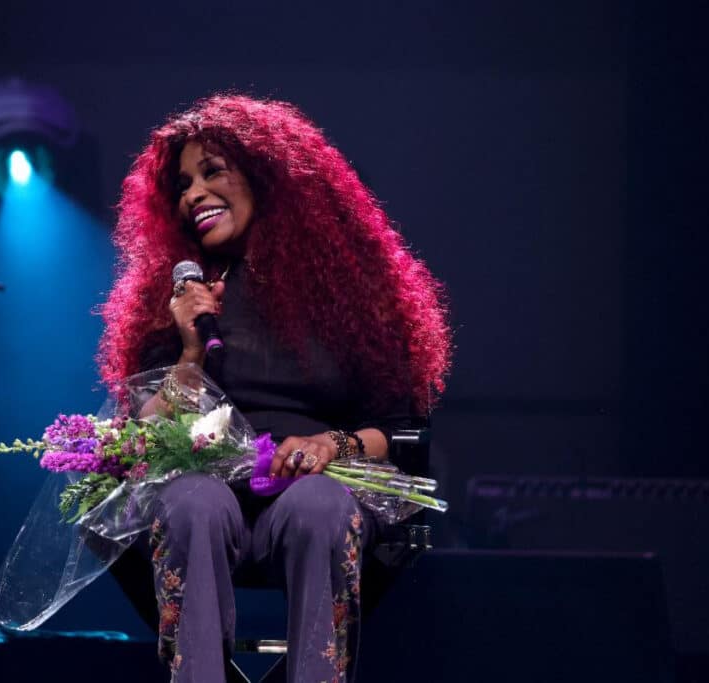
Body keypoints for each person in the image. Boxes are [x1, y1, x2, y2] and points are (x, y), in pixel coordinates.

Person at [98, 94, 451, 682]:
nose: (193, 195)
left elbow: (399, 426)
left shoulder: (349, 293)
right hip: (210, 487)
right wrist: (189, 351)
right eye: (183, 185)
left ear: (267, 176)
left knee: (321, 507)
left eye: (212, 172)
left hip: (314, 482)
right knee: (189, 502)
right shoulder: (179, 297)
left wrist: (330, 446)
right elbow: (146, 432)